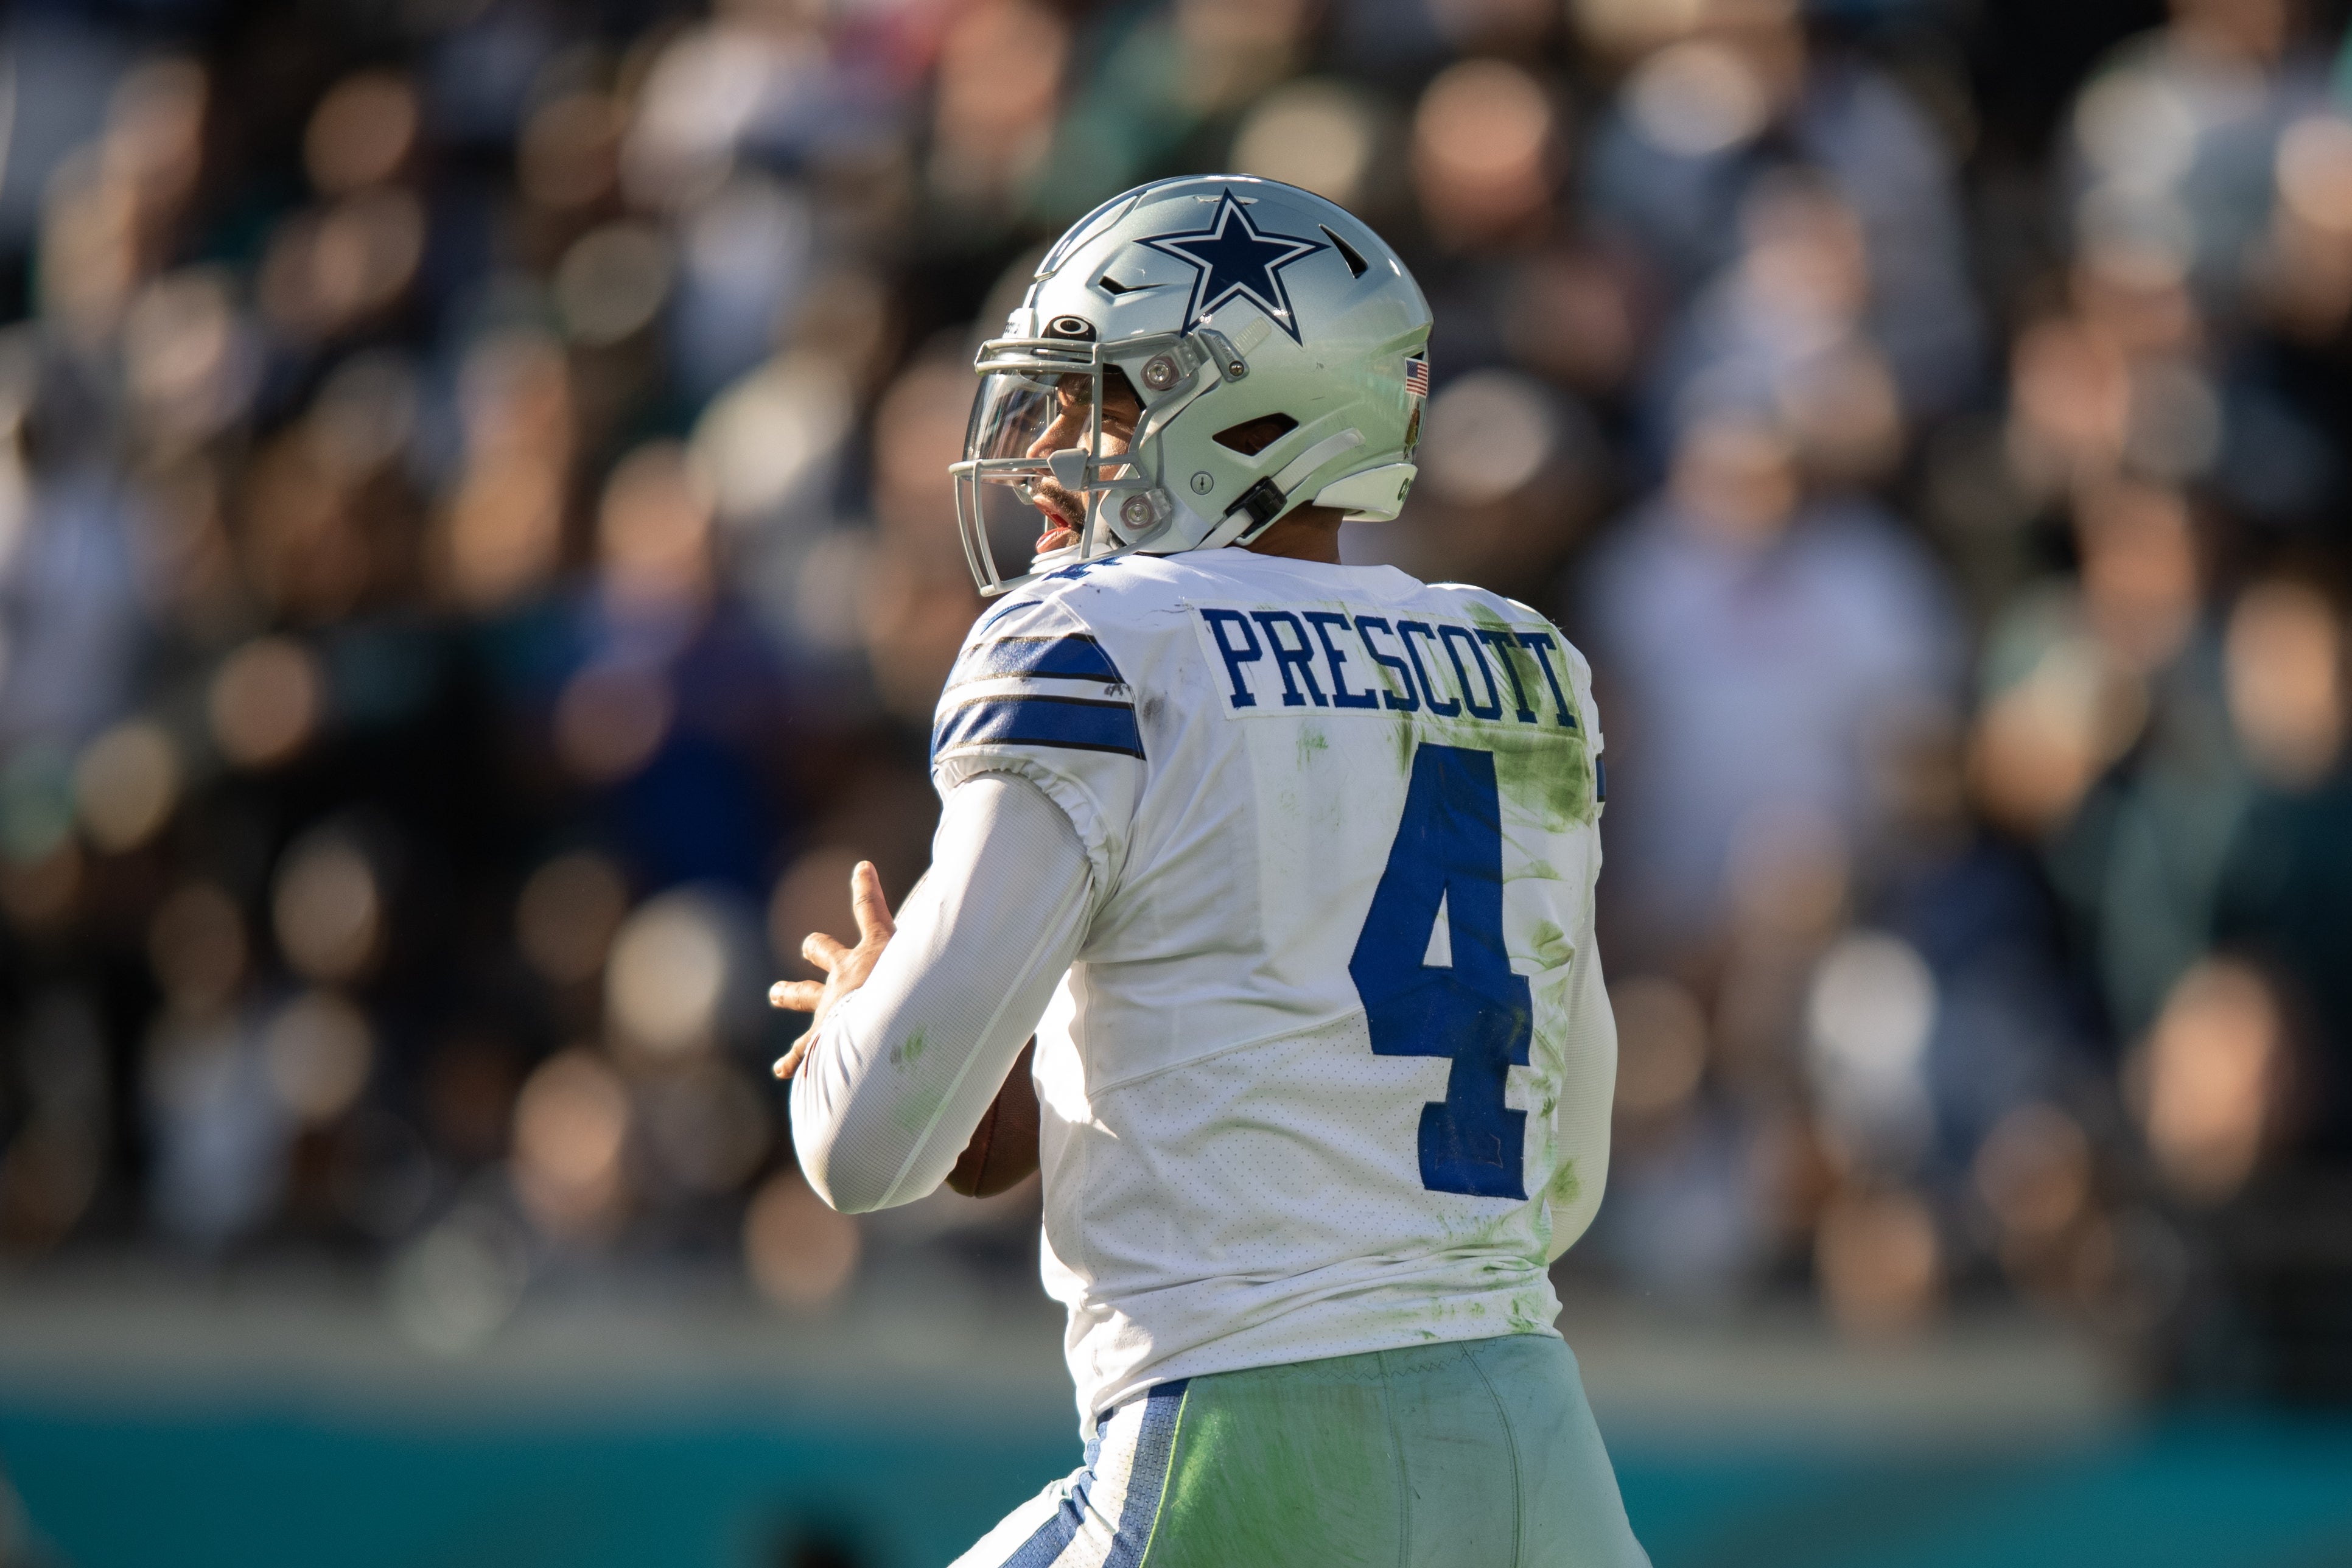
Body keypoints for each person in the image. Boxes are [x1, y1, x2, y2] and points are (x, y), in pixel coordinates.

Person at [772, 176, 1647, 1567]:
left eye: (1100, 399)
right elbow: (1567, 1181)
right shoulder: (1526, 662)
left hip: (1245, 1466)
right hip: (1541, 1462)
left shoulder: (1095, 641)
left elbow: (862, 1148)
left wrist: (868, 1015)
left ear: (1247, 416)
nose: (1051, 447)